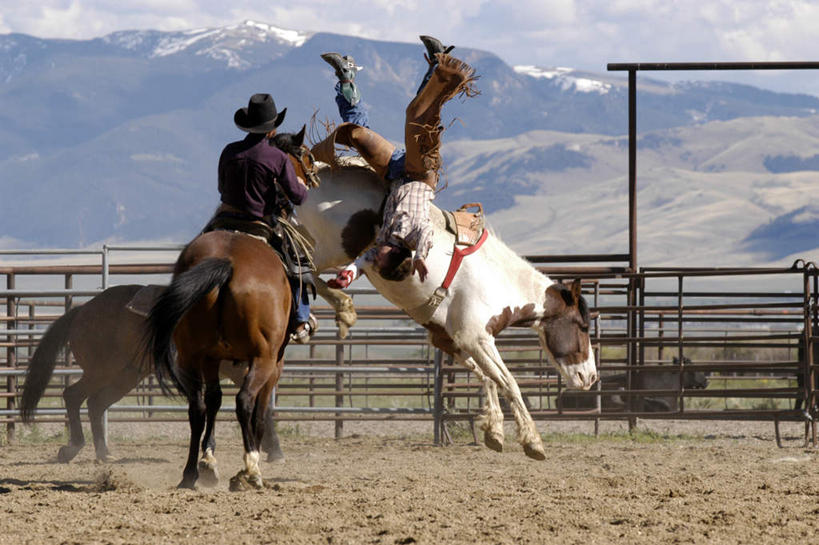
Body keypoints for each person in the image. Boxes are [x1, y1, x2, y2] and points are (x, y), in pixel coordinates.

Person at [318, 36, 474, 289]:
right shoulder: (413, 237)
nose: (375, 261)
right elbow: (427, 235)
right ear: (393, 258)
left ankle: (346, 75)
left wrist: (346, 277)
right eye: (380, 263)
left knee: (355, 133)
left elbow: (361, 262)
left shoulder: (382, 241)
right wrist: (421, 258)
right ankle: (439, 64)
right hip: (420, 172)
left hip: (394, 172)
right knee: (416, 119)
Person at [207, 92, 316, 343]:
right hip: (258, 224)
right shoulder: (276, 157)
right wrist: (301, 185)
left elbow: (221, 189)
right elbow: (298, 197)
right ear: (271, 131)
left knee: (198, 248)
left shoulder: (229, 151)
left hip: (223, 220)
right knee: (298, 260)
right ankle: (301, 319)